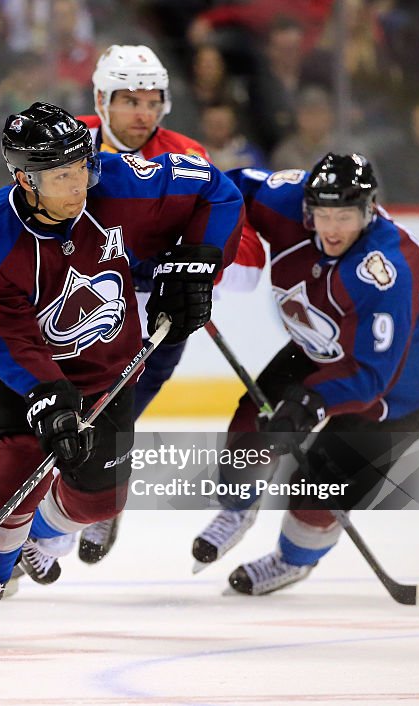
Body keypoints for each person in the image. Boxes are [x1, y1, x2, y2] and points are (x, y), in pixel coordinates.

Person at [0, 102, 244, 648]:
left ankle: (40, 535)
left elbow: (218, 193)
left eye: (83, 167)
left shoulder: (122, 185)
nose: (79, 185)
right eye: (61, 175)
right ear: (24, 178)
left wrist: (198, 260)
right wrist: (45, 393)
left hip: (103, 371)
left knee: (100, 500)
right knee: (19, 459)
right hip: (6, 368)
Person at [190, 154, 419, 595]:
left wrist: (307, 405)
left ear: (369, 210)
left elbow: (370, 376)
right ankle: (238, 506)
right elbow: (223, 188)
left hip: (401, 390)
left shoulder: (384, 272)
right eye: (323, 214)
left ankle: (291, 560)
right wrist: (194, 248)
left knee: (320, 486)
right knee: (253, 418)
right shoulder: (283, 200)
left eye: (347, 216)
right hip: (320, 343)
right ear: (307, 209)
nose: (333, 228)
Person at [72, 45, 266, 565]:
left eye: (153, 100)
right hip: (83, 313)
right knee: (57, 423)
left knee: (109, 423)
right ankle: (14, 547)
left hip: (156, 322)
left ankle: (99, 501)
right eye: (129, 100)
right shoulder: (67, 143)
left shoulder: (184, 157)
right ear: (101, 99)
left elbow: (243, 256)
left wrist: (194, 264)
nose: (143, 113)